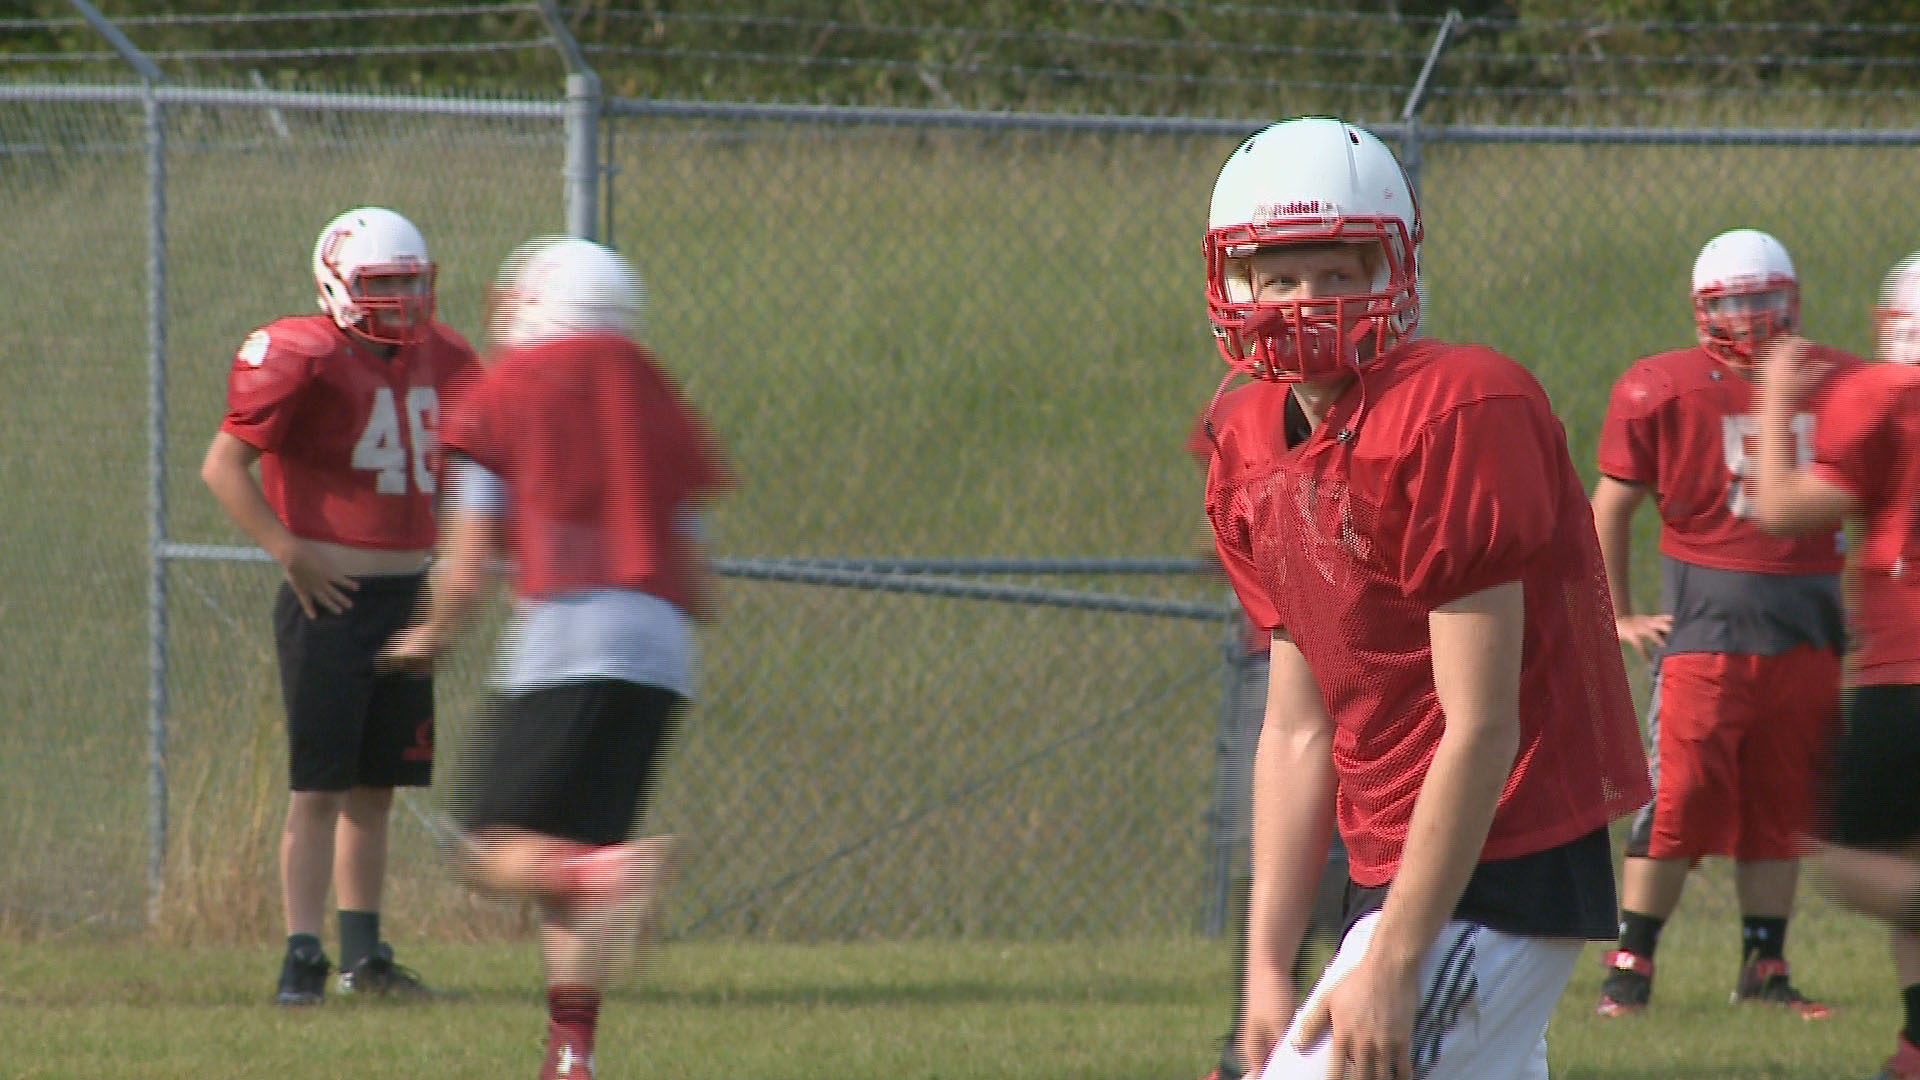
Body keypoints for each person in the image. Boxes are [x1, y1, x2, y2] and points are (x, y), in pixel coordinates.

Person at [1199, 116, 1650, 1080]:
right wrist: (1269, 967)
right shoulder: (1249, 445)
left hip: (1499, 859)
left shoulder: (1455, 412)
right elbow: (1296, 728)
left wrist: (1398, 955)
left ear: (1392, 272)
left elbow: (1482, 725)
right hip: (1397, 871)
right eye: (1279, 275)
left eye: (1337, 272)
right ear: (1233, 284)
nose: (1307, 302)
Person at [378, 236, 731, 1080]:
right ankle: (572, 1054)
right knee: (573, 862)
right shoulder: (654, 396)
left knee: (487, 849)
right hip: (661, 646)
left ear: (531, 302)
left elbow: (465, 571)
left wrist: (428, 636)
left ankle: (606, 869)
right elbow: (700, 573)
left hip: (569, 631)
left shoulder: (503, 391)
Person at [200, 206, 476, 1005]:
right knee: (318, 788)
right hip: (330, 597)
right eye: (382, 284)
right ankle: (301, 954)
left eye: (411, 283)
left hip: (405, 593)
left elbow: (465, 475)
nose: (401, 301)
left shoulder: (446, 357)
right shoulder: (303, 356)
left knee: (375, 789)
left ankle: (364, 958)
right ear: (337, 284)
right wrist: (291, 552)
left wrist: (438, 589)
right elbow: (222, 467)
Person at [1589, 228, 1857, 1020]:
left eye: (1764, 299)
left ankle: (1764, 966)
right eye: (1732, 302)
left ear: (1794, 299)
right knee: (1680, 795)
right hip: (1704, 624)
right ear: (1702, 309)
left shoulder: (1840, 381)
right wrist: (1619, 615)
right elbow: (1611, 505)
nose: (1749, 317)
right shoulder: (1661, 389)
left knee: (1783, 799)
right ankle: (1631, 962)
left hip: (1807, 624)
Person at [1749, 253, 1920, 1080]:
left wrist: (1777, 394)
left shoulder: (1885, 399)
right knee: (1909, 858)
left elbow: (1780, 511)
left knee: (1846, 861)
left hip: (1904, 671)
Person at [1187, 408, 1349, 1080]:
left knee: (1345, 860)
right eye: (1280, 290)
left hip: (1374, 666)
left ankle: (1344, 1024)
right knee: (1280, 849)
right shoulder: (1244, 417)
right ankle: (1251, 1037)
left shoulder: (1424, 412)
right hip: (1282, 658)